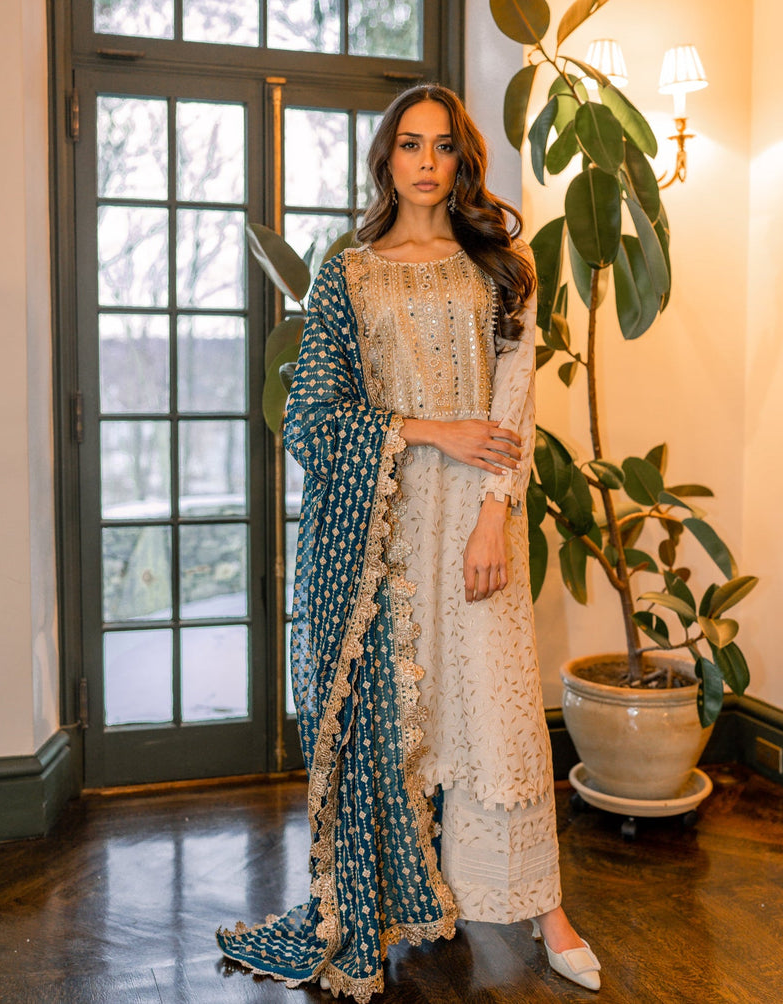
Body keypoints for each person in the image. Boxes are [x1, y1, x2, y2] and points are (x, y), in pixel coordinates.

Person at [217, 83, 601, 1000]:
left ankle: (545, 911)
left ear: (463, 160)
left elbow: (514, 404)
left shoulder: (501, 268)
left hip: (477, 518)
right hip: (385, 530)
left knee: (499, 714)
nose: (427, 162)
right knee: (399, 724)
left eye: (443, 146)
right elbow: (311, 417)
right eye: (410, 145)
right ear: (387, 160)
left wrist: (493, 516)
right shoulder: (349, 275)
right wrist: (429, 430)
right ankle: (410, 898)